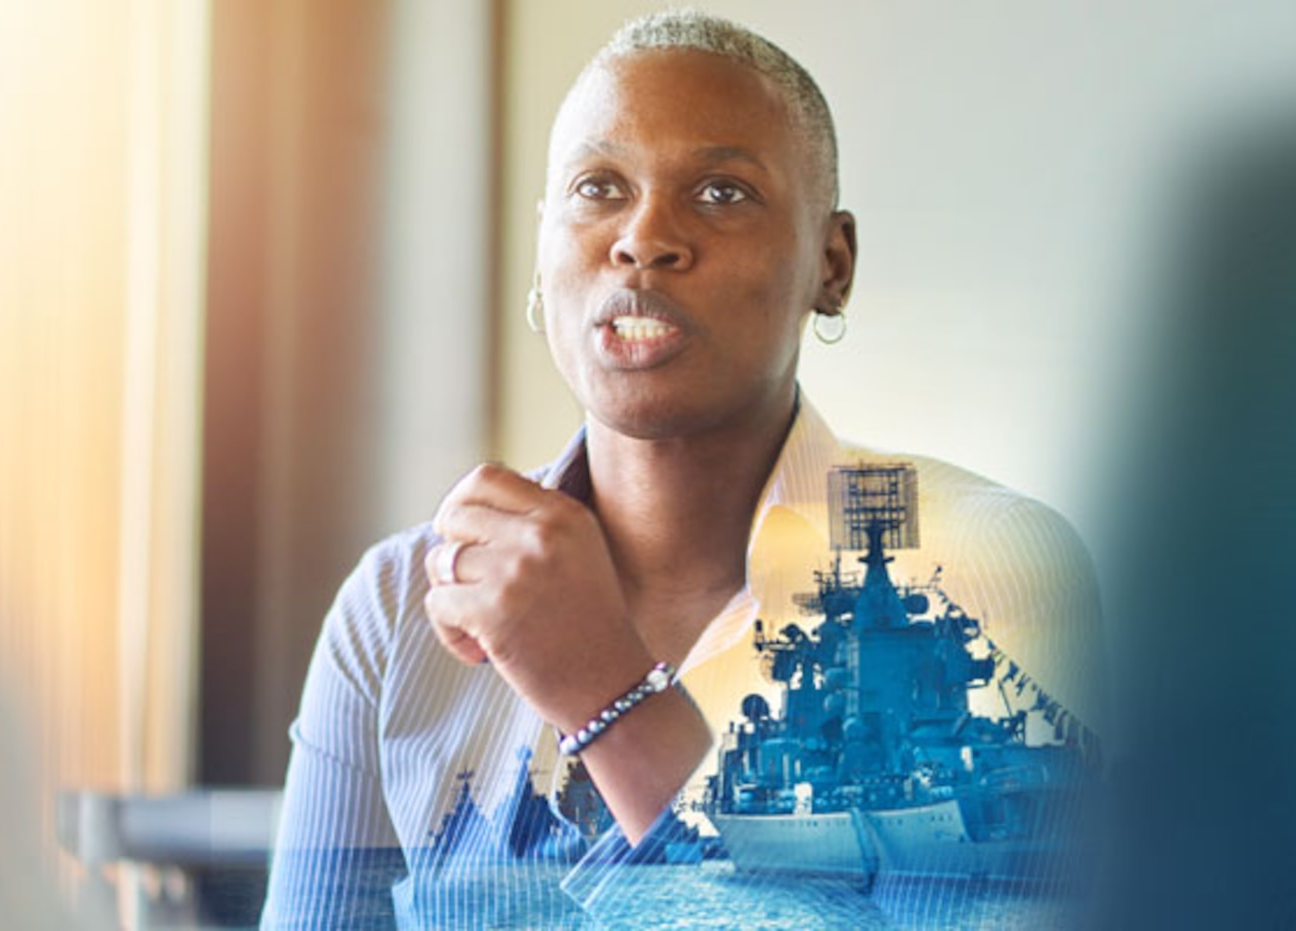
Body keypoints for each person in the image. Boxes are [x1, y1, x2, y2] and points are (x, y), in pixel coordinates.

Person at [263, 11, 1102, 929]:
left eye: (721, 193)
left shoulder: (979, 570)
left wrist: (609, 700)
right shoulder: (396, 610)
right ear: (544, 247)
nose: (644, 237)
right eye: (598, 187)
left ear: (832, 262)